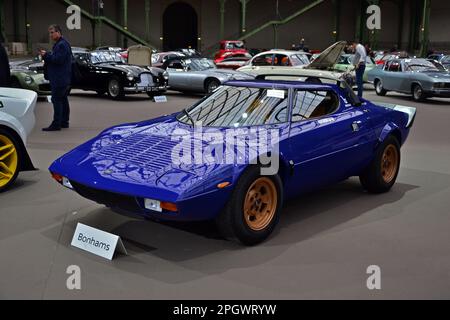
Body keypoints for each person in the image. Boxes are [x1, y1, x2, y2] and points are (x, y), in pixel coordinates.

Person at [39, 25, 72, 131]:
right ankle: (64, 121)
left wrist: (46, 56)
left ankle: (56, 123)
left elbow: (58, 60)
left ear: (58, 32)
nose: (50, 35)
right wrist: (48, 54)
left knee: (56, 99)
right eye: (50, 33)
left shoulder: (62, 44)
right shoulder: (61, 44)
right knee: (63, 99)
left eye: (52, 32)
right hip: (62, 77)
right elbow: (58, 58)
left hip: (59, 78)